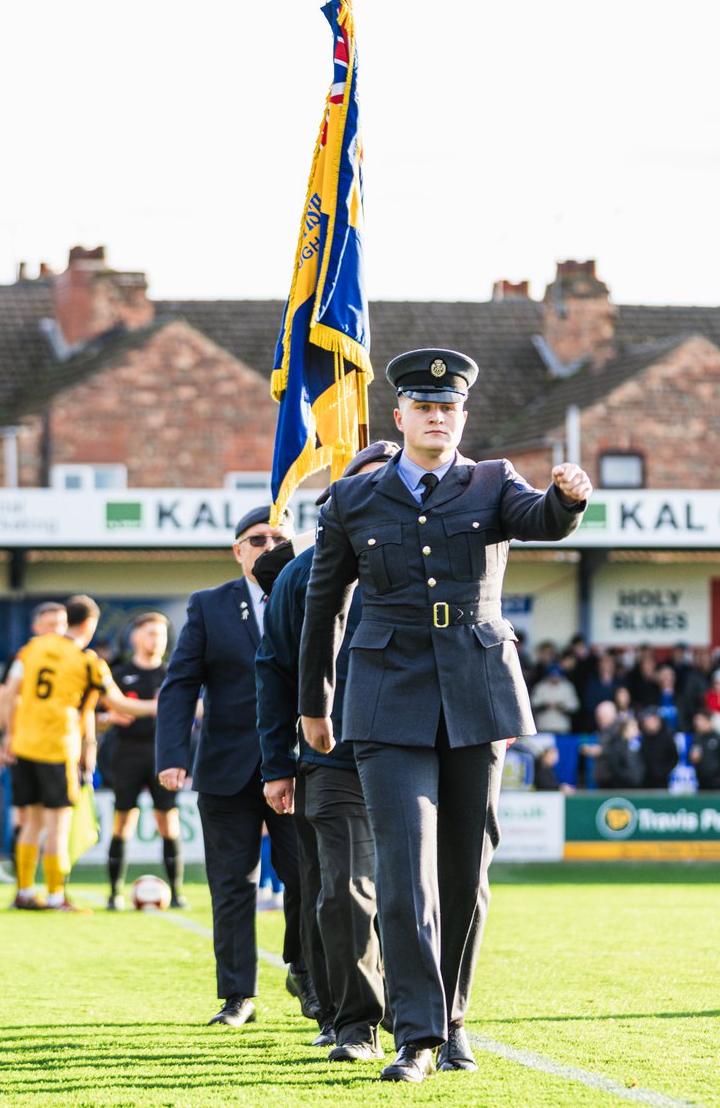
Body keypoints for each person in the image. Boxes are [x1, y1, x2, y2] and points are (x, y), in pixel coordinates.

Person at [298, 347, 591, 1082]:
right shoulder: (351, 499)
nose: (437, 415)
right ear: (398, 417)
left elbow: (541, 520)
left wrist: (567, 498)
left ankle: (453, 1018)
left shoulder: (493, 482)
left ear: (462, 416)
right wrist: (313, 704)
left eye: (449, 407)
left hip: (476, 691)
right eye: (423, 407)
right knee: (403, 870)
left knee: (465, 869)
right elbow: (322, 607)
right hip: (385, 695)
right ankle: (417, 1036)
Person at [257, 442, 397, 1063]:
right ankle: (350, 1019)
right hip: (331, 761)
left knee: (414, 890)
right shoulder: (300, 573)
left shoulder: (426, 564)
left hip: (415, 754)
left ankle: (415, 1014)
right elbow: (275, 672)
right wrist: (277, 765)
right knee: (340, 891)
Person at [156, 505, 316, 1029]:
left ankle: (306, 973)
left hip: (299, 766)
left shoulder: (312, 595)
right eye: (256, 539)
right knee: (231, 885)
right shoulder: (208, 606)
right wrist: (173, 755)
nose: (268, 547)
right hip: (226, 769)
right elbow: (180, 683)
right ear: (237, 549)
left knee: (307, 879)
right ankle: (237, 997)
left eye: (278, 538)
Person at [2, 595, 155, 911]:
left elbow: (10, 692)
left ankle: (25, 891)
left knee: (31, 821)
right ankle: (57, 895)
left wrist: (2, 735)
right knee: (58, 824)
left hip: (24, 746)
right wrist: (158, 706)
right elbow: (119, 703)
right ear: (90, 623)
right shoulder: (88, 661)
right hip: (58, 749)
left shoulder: (33, 649)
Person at [102, 612, 186, 910]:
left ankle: (176, 893)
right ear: (135, 637)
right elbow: (101, 713)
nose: (157, 640)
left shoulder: (172, 674)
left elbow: (192, 711)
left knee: (167, 821)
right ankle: (114, 893)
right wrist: (108, 717)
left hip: (162, 754)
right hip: (127, 753)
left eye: (161, 634)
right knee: (123, 820)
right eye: (151, 633)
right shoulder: (119, 675)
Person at [0, 601, 69, 853]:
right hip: (25, 745)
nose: (56, 630)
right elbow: (5, 696)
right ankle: (23, 883)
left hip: (60, 747)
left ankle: (54, 888)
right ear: (36, 627)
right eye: (50, 624)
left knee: (55, 820)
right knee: (26, 815)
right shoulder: (24, 656)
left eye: (61, 624)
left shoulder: (74, 658)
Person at [529, 662, 579, 734]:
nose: (554, 678)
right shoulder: (540, 687)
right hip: (544, 727)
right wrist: (545, 705)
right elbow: (533, 704)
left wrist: (561, 707)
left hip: (562, 728)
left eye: (557, 675)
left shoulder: (567, 686)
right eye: (552, 675)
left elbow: (575, 706)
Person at [689, 711, 720, 790]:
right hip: (701, 782)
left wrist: (719, 778)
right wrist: (693, 758)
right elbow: (692, 757)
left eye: (700, 720)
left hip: (716, 784)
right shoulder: (697, 739)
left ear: (708, 721)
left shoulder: (719, 738)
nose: (697, 723)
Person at [638, 706, 679, 789]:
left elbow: (674, 757)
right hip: (645, 781)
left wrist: (665, 772)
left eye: (653, 720)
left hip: (663, 781)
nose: (650, 723)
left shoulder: (667, 737)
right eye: (648, 721)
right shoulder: (642, 739)